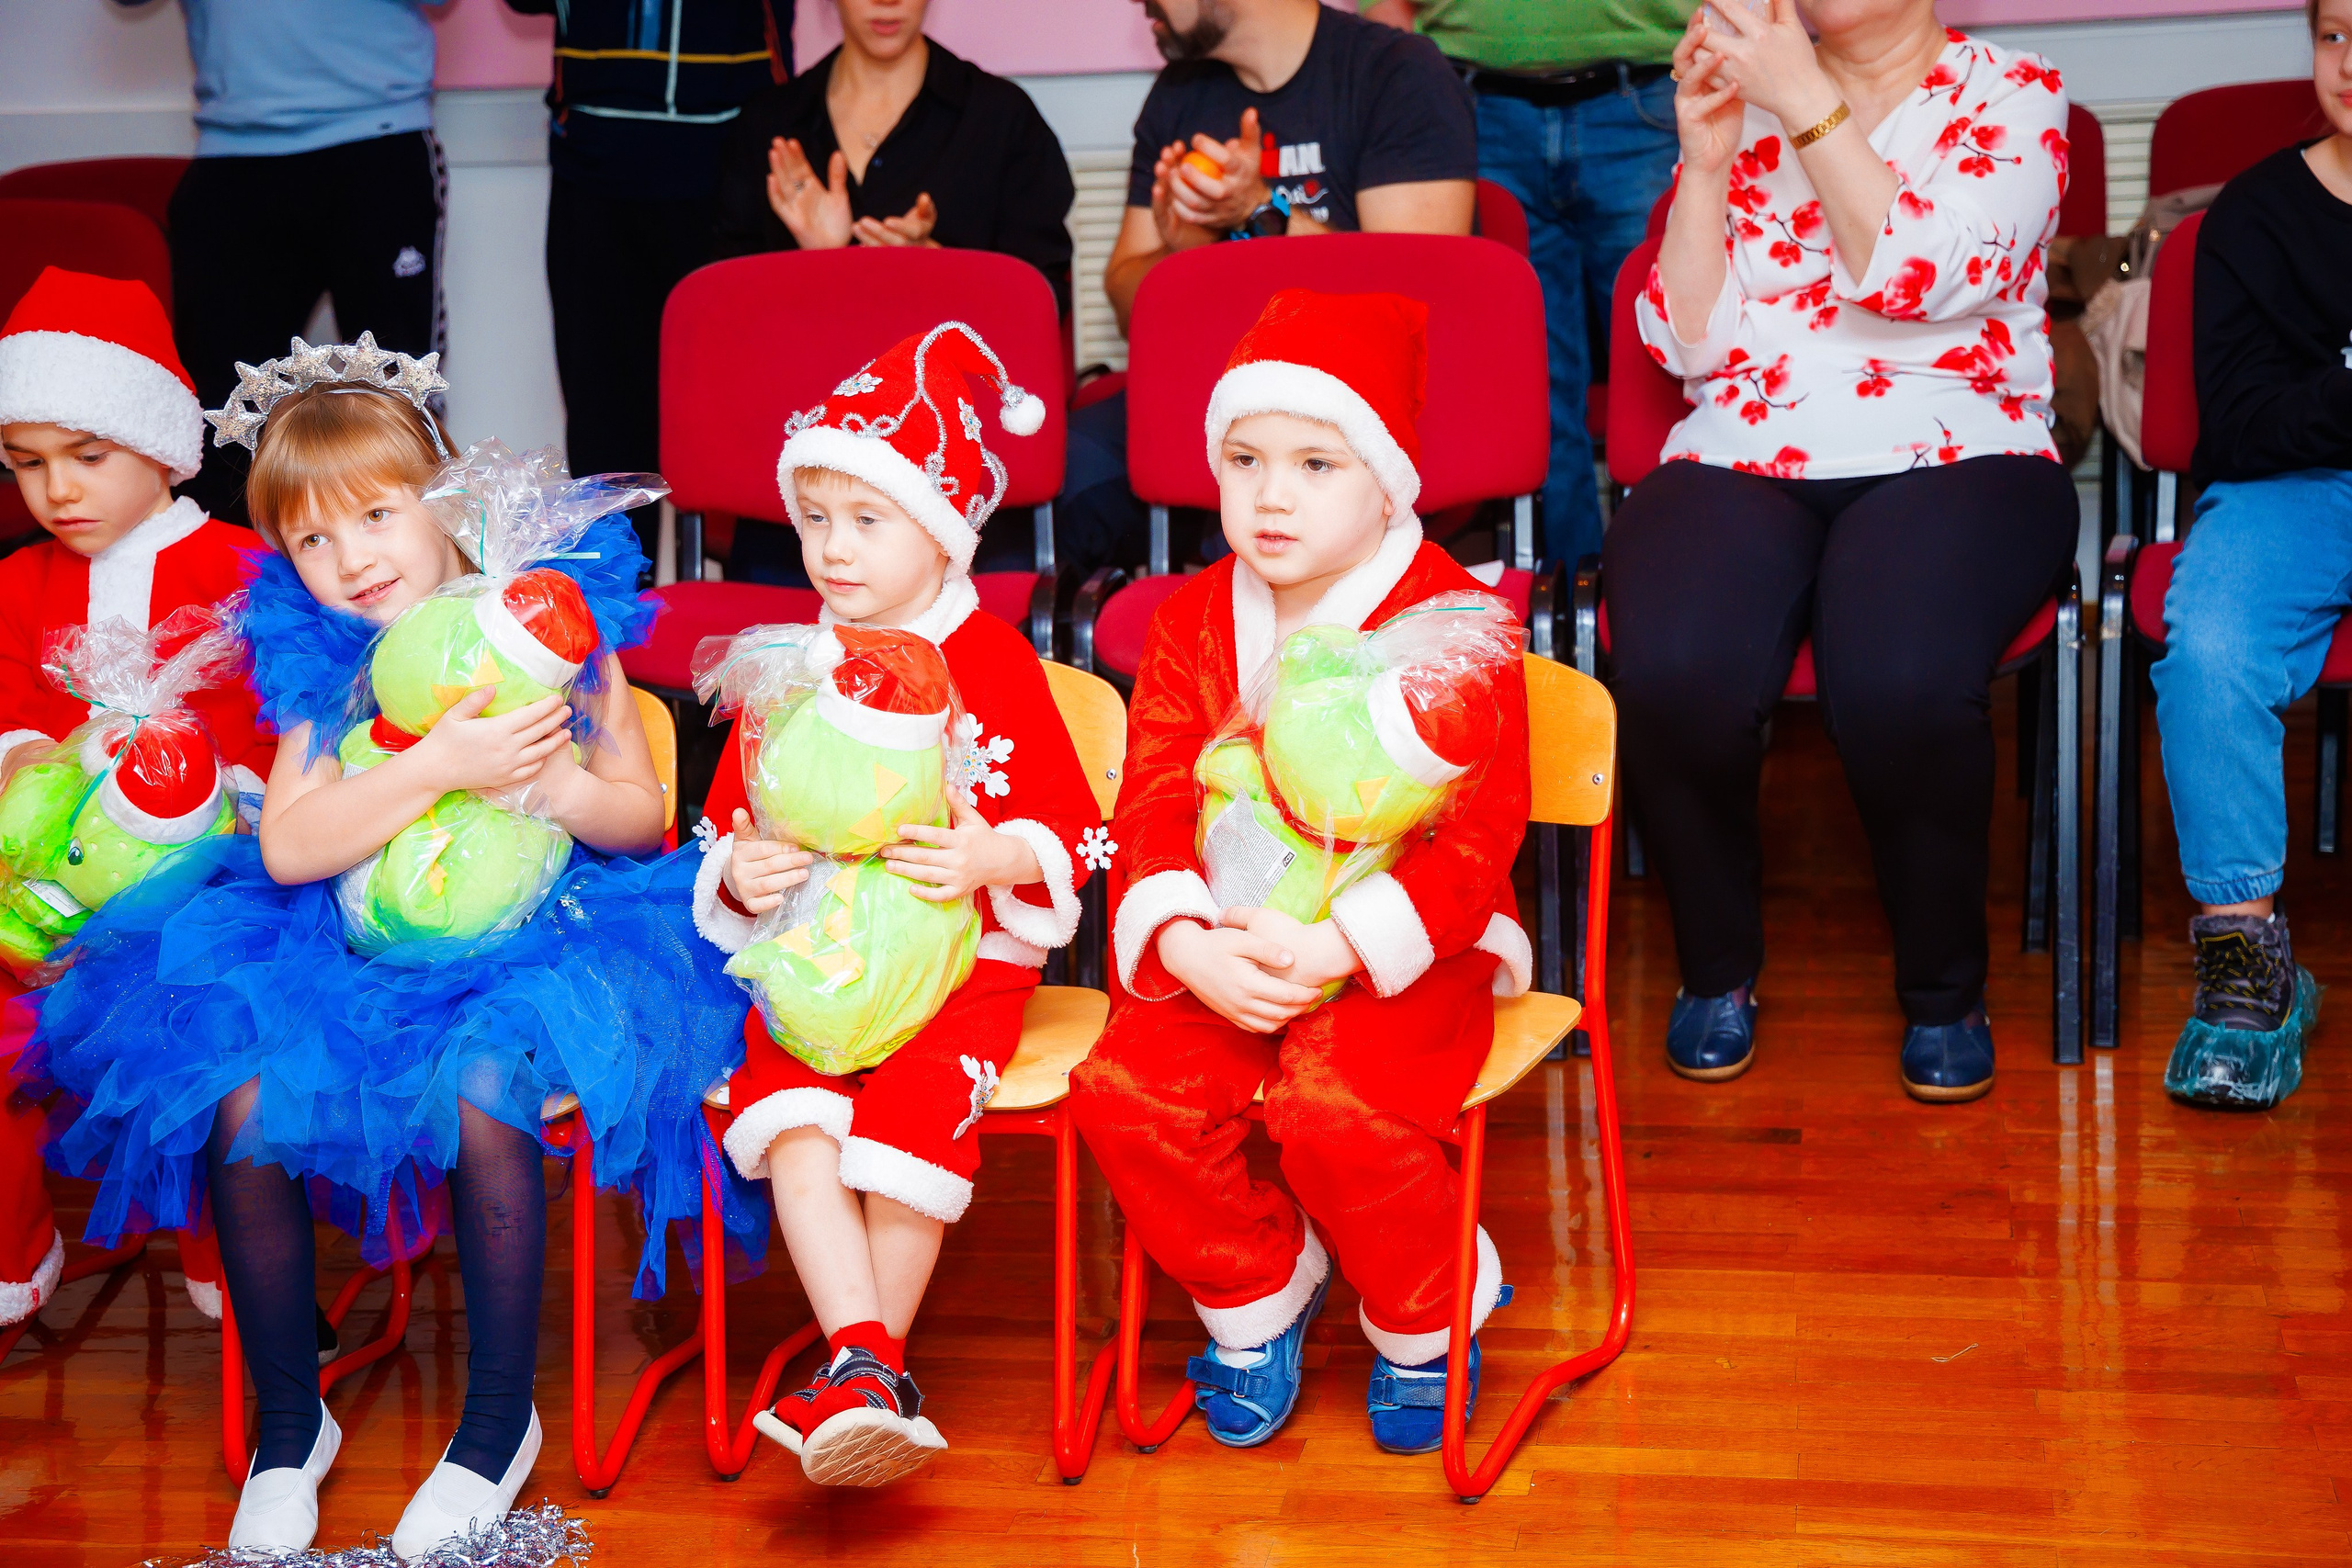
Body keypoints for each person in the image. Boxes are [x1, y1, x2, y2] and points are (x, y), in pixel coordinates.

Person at [13, 342, 752, 1555]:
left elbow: (642, 811)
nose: (352, 556)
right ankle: (290, 1426)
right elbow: (297, 845)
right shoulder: (320, 666)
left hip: (534, 945)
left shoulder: (541, 621)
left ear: (443, 506)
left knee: (478, 1088)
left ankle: (496, 1422)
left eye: (375, 514)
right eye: (313, 539)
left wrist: (556, 785)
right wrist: (434, 766)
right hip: (342, 944)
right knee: (242, 1097)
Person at [1069, 289, 1533, 1456]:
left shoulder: (1456, 620)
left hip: (1399, 943)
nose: (1270, 494)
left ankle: (1428, 1318)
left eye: (1316, 462)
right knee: (1123, 1091)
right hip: (1227, 938)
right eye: (1244, 459)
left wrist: (1339, 948)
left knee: (1335, 1112)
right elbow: (1158, 798)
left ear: (1386, 481)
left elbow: (1475, 841)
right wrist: (1181, 942)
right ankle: (1258, 1289)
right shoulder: (1187, 622)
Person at [1606, 0, 2076, 1102]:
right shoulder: (1752, 98)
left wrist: (1804, 102)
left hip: (1961, 441)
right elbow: (1686, 342)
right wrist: (1707, 162)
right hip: (1743, 440)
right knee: (1673, 667)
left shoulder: (2017, 96)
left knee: (1901, 678)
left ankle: (1942, 989)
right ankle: (1715, 968)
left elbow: (1917, 278)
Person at [688, 323, 1097, 1485]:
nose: (833, 550)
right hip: (814, 957)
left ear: (945, 527)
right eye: (815, 519)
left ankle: (864, 1366)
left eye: (869, 520)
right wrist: (740, 871)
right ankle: (864, 1363)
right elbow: (731, 818)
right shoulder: (793, 660)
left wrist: (987, 857)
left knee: (915, 1117)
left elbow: (1063, 829)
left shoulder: (992, 656)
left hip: (959, 969)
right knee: (795, 1108)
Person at [0, 267, 259, 1343]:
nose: (58, 490)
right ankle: (18, 1248)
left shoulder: (238, 567)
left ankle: (232, 1240)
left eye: (88, 456)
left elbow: (266, 752)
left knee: (212, 1021)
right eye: (26, 465)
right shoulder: (17, 585)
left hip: (217, 889)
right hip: (43, 894)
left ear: (158, 443)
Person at [1058, 0, 1478, 587]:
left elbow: (1413, 293)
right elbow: (1130, 306)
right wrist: (1185, 252)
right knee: (1060, 471)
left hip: (1348, 410)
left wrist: (1262, 212)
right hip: (1204, 400)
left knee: (1259, 515)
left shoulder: (1395, 72)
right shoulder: (1179, 97)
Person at [2144, 0, 2352, 1111]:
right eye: (2333, 35)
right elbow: (2237, 426)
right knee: (2209, 646)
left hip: (2310, 447)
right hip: (2294, 490)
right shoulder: (2257, 214)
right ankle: (2244, 968)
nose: (2350, 62)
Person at [710, 0, 1074, 583]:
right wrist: (813, 264)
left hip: (960, 503)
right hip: (802, 517)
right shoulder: (770, 124)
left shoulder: (1002, 119)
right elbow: (727, 334)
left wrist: (937, 272)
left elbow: (1040, 311)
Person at [1364, 0, 1684, 568]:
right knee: (1531, 391)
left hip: (1649, 96)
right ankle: (1566, 610)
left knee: (1675, 369)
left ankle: (1675, 593)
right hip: (1472, 102)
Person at [119, 0, 447, 528]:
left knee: (399, 387)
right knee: (222, 410)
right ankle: (227, 597)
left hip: (375, 138)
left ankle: (418, 588)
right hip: (232, 149)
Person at [503, 0, 793, 567]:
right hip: (596, 170)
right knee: (606, 431)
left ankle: (758, 634)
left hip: (734, 166)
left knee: (739, 428)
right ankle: (618, 631)